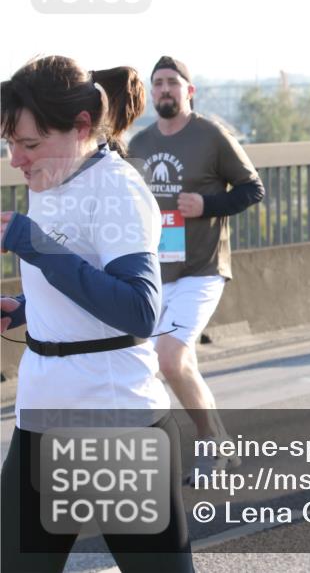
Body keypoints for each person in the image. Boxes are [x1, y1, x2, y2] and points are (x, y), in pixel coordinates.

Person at [0, 56, 194, 571]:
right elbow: (79, 281)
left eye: (30, 144)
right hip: (41, 417)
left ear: (81, 126)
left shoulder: (116, 190)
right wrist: (22, 309)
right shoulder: (49, 179)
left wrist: (35, 245)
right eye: (10, 145)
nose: (16, 159)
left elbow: (139, 308)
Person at [128, 56, 264, 482]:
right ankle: (221, 442)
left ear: (190, 91)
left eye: (172, 82)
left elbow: (252, 189)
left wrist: (208, 205)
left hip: (202, 269)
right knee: (163, 363)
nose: (164, 90)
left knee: (170, 357)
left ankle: (212, 449)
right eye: (158, 84)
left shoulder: (210, 135)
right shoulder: (141, 144)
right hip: (156, 273)